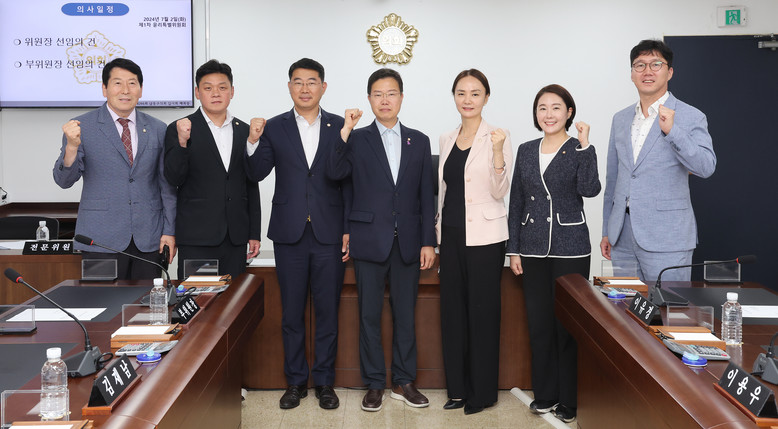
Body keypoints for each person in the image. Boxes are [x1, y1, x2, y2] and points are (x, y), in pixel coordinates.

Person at [327, 68, 436, 412]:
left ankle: (404, 381)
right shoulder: (356, 139)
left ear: (401, 97)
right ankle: (374, 383)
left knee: (405, 315)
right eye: (378, 94)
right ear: (369, 99)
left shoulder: (419, 140)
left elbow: (426, 195)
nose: (385, 100)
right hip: (368, 239)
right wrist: (345, 130)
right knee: (369, 317)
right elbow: (335, 173)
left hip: (408, 242)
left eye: (391, 93)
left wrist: (428, 241)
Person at [245, 58, 351, 410]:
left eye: (312, 81)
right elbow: (256, 172)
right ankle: (295, 383)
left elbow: (348, 181)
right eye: (298, 82)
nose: (305, 88)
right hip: (289, 233)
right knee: (291, 313)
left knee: (327, 312)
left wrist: (348, 228)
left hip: (329, 232)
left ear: (323, 86)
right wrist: (252, 141)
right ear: (289, 86)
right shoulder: (274, 127)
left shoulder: (340, 126)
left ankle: (324, 383)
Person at [507, 84, 601, 423]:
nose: (549, 114)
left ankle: (570, 400)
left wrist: (586, 146)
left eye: (556, 107)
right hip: (532, 248)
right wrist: (513, 249)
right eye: (542, 108)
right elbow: (516, 200)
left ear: (569, 112)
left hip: (570, 248)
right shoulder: (526, 149)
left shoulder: (578, 148)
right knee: (539, 324)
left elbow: (590, 189)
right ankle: (545, 394)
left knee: (567, 327)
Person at [600, 39, 716, 282]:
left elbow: (706, 167)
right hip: (622, 236)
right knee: (624, 304)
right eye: (640, 65)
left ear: (669, 72)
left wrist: (673, 131)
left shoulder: (691, 116)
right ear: (632, 74)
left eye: (655, 64)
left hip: (668, 237)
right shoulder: (620, 119)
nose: (647, 71)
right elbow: (614, 178)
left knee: (669, 304)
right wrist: (607, 230)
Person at [54, 58, 176, 279]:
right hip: (100, 238)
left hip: (148, 237)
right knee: (102, 300)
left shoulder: (158, 128)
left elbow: (166, 185)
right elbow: (64, 181)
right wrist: (71, 147)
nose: (125, 90)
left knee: (148, 299)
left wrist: (169, 231)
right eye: (118, 83)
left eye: (132, 83)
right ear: (104, 89)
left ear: (140, 89)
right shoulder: (82, 127)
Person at [436, 69, 512, 415]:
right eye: (461, 93)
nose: (468, 100)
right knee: (452, 313)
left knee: (482, 315)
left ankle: (481, 393)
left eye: (475, 93)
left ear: (486, 97)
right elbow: (444, 191)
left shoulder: (498, 136)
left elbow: (499, 191)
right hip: (451, 236)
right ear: (454, 97)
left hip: (486, 238)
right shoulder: (446, 138)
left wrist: (497, 152)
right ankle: (457, 390)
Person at [164, 60, 261, 279]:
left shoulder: (245, 131)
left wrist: (254, 232)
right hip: (197, 237)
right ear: (197, 93)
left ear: (232, 92)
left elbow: (251, 184)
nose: (215, 93)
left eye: (222, 87)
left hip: (235, 237)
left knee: (234, 298)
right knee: (197, 297)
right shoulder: (181, 127)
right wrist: (182, 142)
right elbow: (173, 178)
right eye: (208, 88)